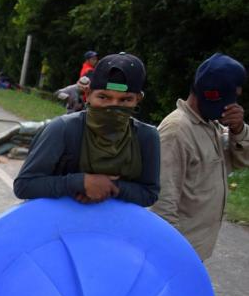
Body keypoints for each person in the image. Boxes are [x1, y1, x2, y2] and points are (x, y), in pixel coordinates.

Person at [14, 53, 160, 207]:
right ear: (88, 94)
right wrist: (78, 183)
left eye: (125, 100)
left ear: (138, 99)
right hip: (57, 224)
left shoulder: (146, 136)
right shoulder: (63, 129)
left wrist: (108, 188)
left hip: (113, 226)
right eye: (104, 97)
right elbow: (24, 185)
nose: (113, 106)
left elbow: (150, 194)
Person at [152, 53, 249, 260]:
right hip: (180, 253)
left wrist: (238, 129)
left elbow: (242, 161)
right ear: (211, 95)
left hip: (197, 250)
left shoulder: (211, 125)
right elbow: (162, 203)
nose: (233, 106)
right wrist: (176, 255)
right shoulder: (177, 130)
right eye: (229, 99)